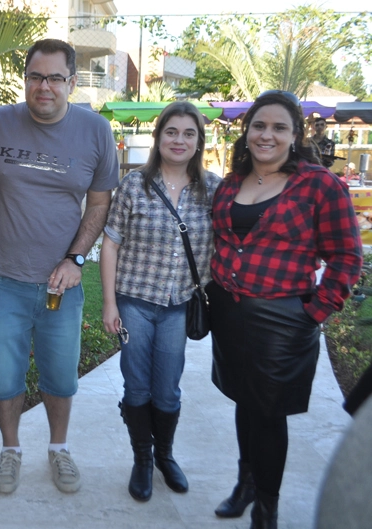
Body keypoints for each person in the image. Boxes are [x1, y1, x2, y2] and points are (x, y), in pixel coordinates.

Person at [207, 90, 362, 529]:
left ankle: (267, 507)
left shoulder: (319, 185)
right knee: (243, 398)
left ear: (295, 135)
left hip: (282, 320)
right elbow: (222, 241)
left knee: (269, 413)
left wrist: (315, 312)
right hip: (230, 313)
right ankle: (245, 483)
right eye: (259, 126)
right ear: (247, 131)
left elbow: (347, 256)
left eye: (279, 127)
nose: (267, 135)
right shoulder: (232, 182)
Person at [0, 38, 119, 494]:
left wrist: (76, 258)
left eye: (55, 78)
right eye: (35, 76)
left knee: (60, 374)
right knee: (3, 375)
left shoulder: (95, 131)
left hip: (62, 283)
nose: (44, 86)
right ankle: (10, 450)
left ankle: (59, 449)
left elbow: (99, 202)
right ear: (25, 80)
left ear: (72, 83)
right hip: (2, 279)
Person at [100, 102, 221, 502]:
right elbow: (112, 244)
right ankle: (141, 458)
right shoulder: (135, 185)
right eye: (172, 132)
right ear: (158, 137)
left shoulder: (214, 189)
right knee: (137, 387)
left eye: (189, 133)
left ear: (199, 141)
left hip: (178, 306)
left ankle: (165, 455)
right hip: (134, 301)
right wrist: (109, 304)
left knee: (167, 390)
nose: (179, 140)